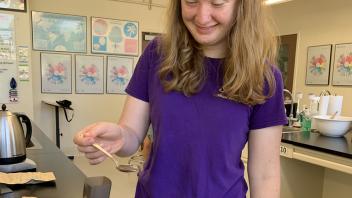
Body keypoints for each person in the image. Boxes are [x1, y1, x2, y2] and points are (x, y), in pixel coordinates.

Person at [73, 0, 287, 197]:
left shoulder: (264, 77)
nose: (202, 17)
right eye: (191, 1)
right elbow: (131, 134)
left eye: (218, 2)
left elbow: (265, 174)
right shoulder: (157, 54)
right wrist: (119, 136)